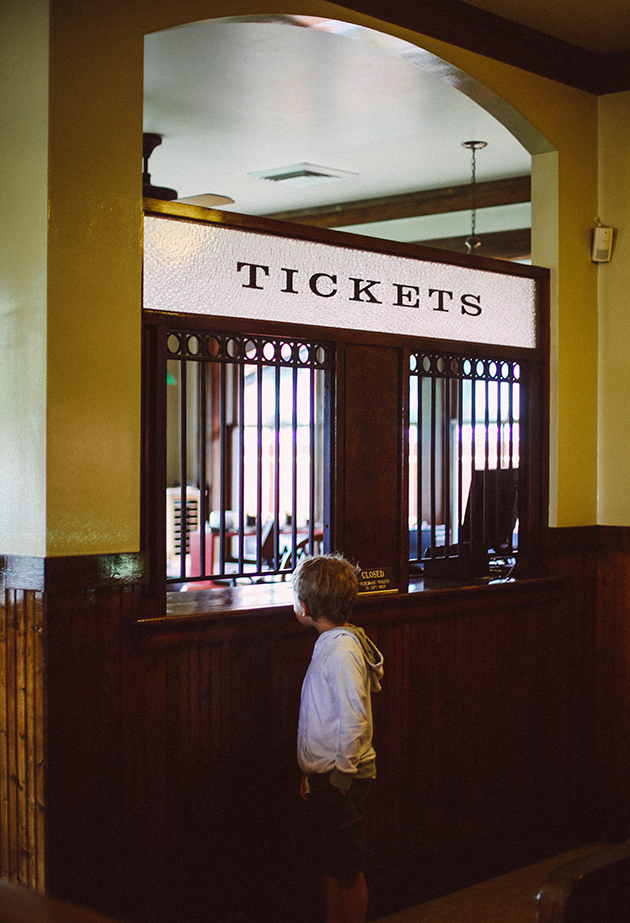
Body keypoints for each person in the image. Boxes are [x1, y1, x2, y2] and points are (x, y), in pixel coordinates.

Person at [293, 554, 385, 923]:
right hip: (327, 777)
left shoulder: (342, 652)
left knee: (348, 870)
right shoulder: (335, 642)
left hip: (341, 779)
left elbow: (353, 722)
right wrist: (312, 774)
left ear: (305, 607)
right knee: (333, 863)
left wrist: (339, 778)